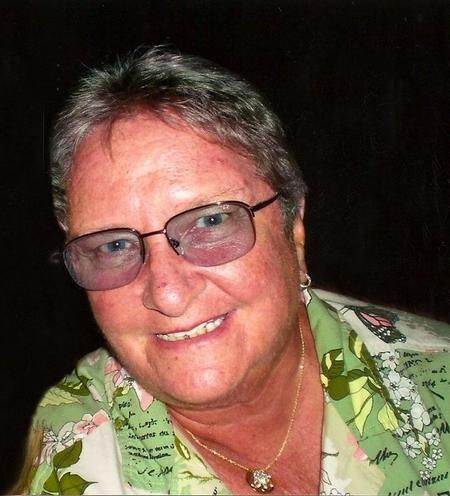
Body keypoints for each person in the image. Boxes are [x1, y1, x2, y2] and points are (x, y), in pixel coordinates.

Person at [13, 47, 450, 495]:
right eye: (114, 245)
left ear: (293, 228)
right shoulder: (68, 465)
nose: (168, 293)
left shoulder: (436, 377)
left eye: (210, 221)